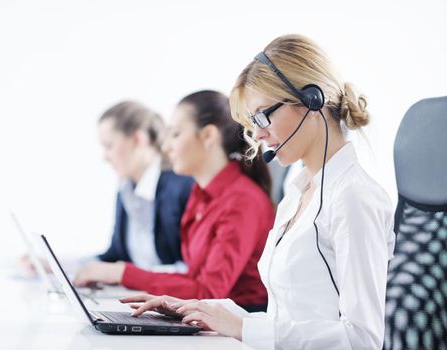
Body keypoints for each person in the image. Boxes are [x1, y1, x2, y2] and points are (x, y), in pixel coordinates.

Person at [121, 34, 395, 350]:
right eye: (253, 121)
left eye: (264, 114)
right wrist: (206, 309)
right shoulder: (297, 195)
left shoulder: (353, 198)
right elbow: (290, 319)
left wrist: (242, 327)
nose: (259, 133)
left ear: (311, 100)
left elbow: (362, 339)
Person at [74, 90, 275, 311]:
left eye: (176, 134)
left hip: (238, 327)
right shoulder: (201, 196)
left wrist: (123, 273)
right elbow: (193, 278)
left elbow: (208, 292)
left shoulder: (242, 201)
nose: (166, 146)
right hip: (205, 317)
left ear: (208, 136)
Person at [22, 101, 193, 275]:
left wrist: (125, 275)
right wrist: (54, 265)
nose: (105, 157)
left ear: (137, 139)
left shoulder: (181, 188)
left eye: (108, 146)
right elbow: (114, 257)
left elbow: (192, 269)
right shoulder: (126, 190)